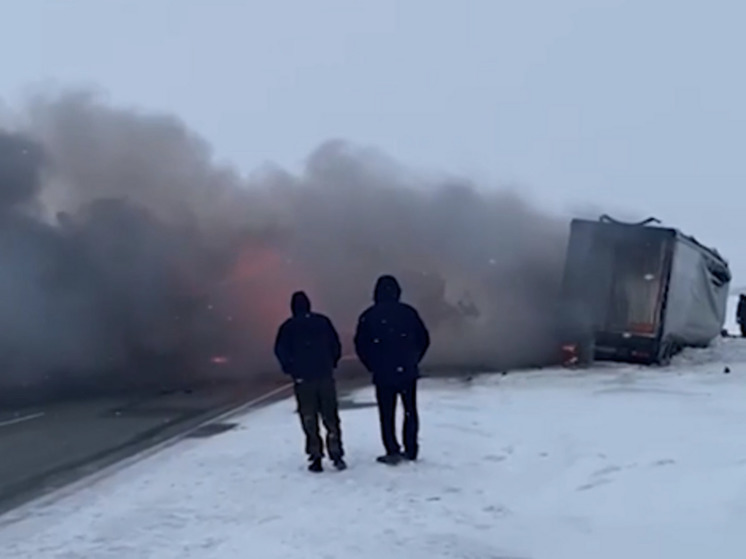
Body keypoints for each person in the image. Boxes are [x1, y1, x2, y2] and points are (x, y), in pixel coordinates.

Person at [354, 275, 431, 465]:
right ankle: (411, 448)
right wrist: (413, 359)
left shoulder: (369, 316)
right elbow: (424, 339)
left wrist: (372, 365)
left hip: (383, 372)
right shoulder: (409, 313)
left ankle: (392, 449)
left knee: (387, 413)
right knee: (410, 410)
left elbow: (360, 345)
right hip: (407, 370)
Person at [274, 291, 346, 473]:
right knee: (330, 417)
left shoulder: (288, 327)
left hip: (303, 379)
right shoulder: (322, 322)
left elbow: (281, 350)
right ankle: (336, 453)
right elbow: (335, 345)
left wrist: (291, 369)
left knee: (309, 418)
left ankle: (315, 455)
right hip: (324, 374)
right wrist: (331, 363)